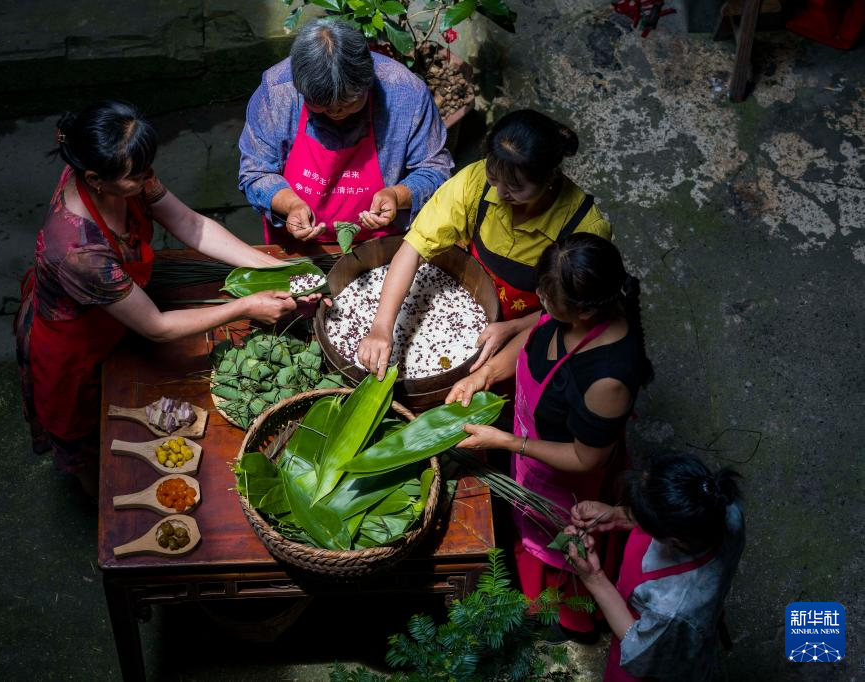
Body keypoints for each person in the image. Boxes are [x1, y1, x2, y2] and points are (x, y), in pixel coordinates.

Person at [15, 101, 314, 497]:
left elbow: (189, 223)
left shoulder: (124, 171)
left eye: (146, 170)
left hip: (120, 316)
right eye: (136, 176)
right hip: (77, 345)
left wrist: (274, 268)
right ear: (95, 179)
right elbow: (156, 326)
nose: (147, 179)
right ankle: (97, 501)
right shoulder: (78, 251)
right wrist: (245, 306)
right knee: (87, 442)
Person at [444, 233, 654, 637]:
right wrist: (485, 375)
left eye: (547, 298)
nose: (540, 302)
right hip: (530, 446)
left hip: (568, 480)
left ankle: (565, 620)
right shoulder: (568, 313)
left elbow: (586, 458)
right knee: (526, 528)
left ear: (584, 312)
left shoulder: (608, 379)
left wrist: (507, 443)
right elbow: (537, 332)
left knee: (560, 550)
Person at [358, 109, 610, 379]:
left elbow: (575, 314)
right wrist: (381, 327)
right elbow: (415, 246)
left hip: (535, 327)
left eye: (515, 187)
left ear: (549, 177)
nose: (500, 192)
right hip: (473, 303)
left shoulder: (584, 227)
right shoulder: (475, 182)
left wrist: (516, 327)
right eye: (493, 176)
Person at [238, 18, 452, 247]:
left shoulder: (406, 93)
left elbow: (435, 170)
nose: (335, 112)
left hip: (379, 245)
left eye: (348, 103)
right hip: (297, 247)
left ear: (367, 82)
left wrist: (397, 196)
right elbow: (256, 173)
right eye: (321, 105)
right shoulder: (277, 92)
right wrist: (290, 205)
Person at [564, 452, 745, 681]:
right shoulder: (722, 507)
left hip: (655, 650)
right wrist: (619, 516)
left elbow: (638, 647)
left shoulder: (673, 607)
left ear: (674, 541)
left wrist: (594, 578)